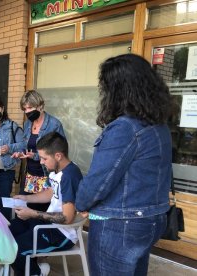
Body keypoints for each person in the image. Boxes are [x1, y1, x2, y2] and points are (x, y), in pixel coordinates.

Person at [75, 54, 172, 276]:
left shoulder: (124, 128)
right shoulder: (159, 126)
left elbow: (99, 181)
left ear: (119, 90)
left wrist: (81, 202)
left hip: (120, 224)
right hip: (152, 219)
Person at [10, 132, 82, 276]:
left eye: (44, 158)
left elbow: (67, 218)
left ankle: (36, 273)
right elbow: (50, 193)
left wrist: (33, 213)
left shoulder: (70, 176)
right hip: (49, 225)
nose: (41, 162)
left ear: (58, 156)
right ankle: (34, 268)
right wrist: (26, 199)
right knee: (8, 232)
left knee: (15, 250)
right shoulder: (57, 170)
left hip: (62, 233)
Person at [12, 90, 66, 212]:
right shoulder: (27, 124)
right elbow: (26, 144)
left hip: (46, 176)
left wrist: (35, 156)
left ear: (40, 106)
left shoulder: (54, 124)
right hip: (30, 176)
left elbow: (59, 154)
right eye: (24, 109)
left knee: (41, 214)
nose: (27, 112)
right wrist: (21, 152)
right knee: (24, 210)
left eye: (30, 107)